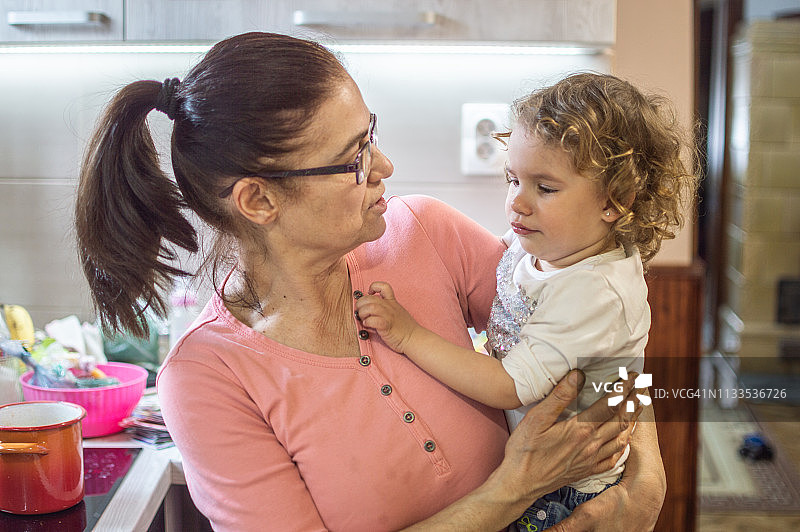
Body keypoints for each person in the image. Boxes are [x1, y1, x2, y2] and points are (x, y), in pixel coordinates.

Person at [74, 33, 665, 531]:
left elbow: (596, 336)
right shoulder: (209, 378)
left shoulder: (426, 231)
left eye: (371, 135)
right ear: (258, 199)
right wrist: (512, 490)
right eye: (355, 156)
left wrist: (645, 478)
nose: (384, 166)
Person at [355, 72, 697, 531]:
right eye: (513, 179)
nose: (517, 203)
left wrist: (408, 334)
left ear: (614, 202)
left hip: (568, 490)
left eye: (545, 187)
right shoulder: (549, 244)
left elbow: (508, 387)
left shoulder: (593, 292)